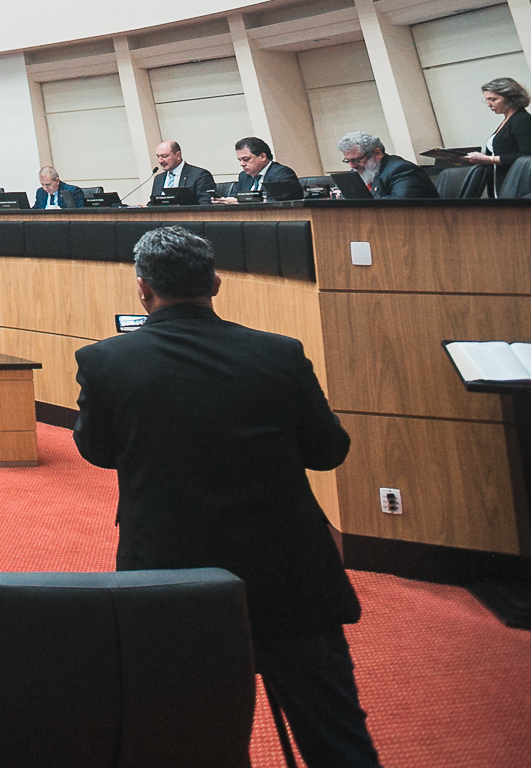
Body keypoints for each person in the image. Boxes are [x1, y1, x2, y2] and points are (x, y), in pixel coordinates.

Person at [74, 226, 381, 768]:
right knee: (336, 737)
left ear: (143, 290)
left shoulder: (106, 362)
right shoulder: (280, 354)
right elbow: (328, 451)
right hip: (290, 574)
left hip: (171, 577)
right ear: (215, 282)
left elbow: (97, 451)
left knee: (185, 738)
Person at [335, 131, 437, 199]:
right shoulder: (358, 172)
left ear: (377, 153)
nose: (352, 166)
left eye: (357, 160)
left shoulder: (402, 170)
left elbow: (400, 203)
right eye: (348, 161)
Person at [467, 76, 531, 183]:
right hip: (503, 179)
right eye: (487, 100)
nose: (488, 104)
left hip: (519, 182)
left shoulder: (523, 120)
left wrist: (488, 159)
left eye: (493, 99)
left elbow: (527, 156)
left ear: (511, 98)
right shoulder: (508, 120)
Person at [219, 136, 301, 202]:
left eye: (246, 159)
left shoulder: (281, 173)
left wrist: (240, 202)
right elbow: (236, 197)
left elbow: (284, 201)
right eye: (240, 160)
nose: (242, 164)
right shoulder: (244, 176)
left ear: (262, 157)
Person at [147, 140, 217, 204]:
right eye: (158, 156)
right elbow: (153, 203)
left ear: (178, 155)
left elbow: (206, 205)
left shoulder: (200, 175)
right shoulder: (159, 178)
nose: (160, 161)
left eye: (164, 156)